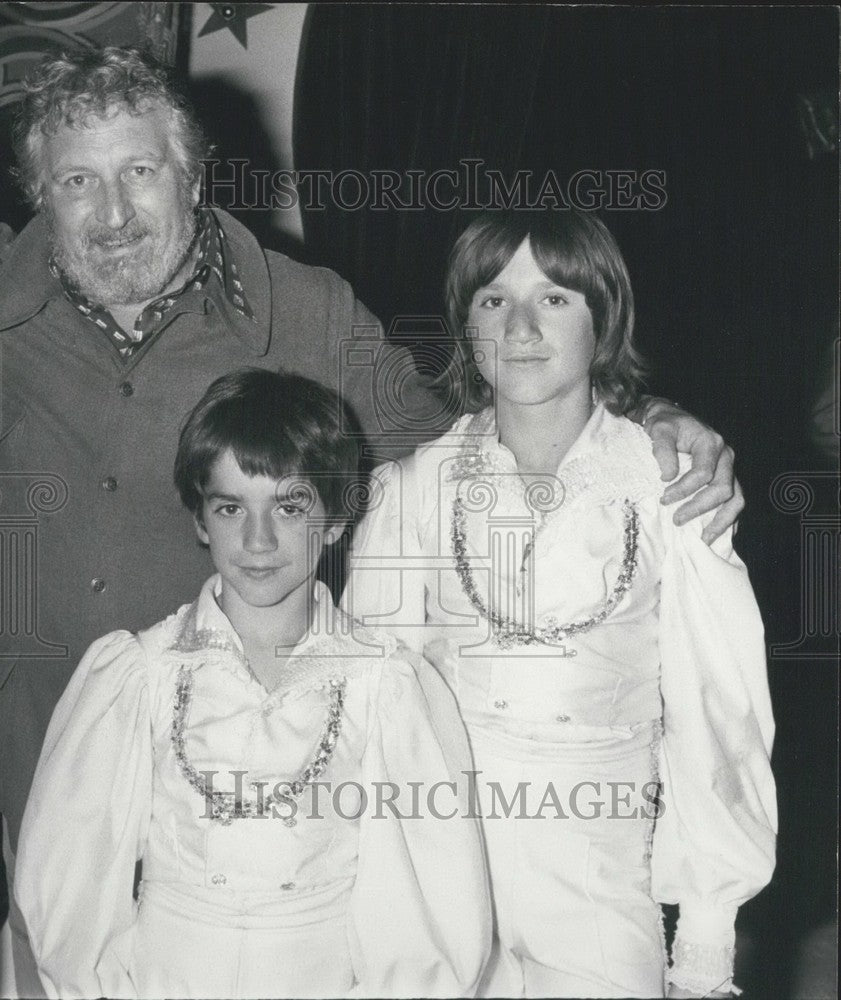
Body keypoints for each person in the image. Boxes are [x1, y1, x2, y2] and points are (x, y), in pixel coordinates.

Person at [1, 45, 739, 994]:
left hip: (266, 803)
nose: (111, 215)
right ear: (38, 197)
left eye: (140, 172)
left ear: (192, 176)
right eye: (76, 181)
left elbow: (476, 440)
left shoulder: (304, 312)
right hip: (43, 779)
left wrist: (646, 423)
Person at [344, 210, 777, 998]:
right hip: (438, 890)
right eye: (491, 300)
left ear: (602, 319)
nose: (518, 327)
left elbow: (716, 715)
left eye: (553, 299)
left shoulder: (667, 488)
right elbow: (371, 719)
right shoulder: (413, 492)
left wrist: (705, 944)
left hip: (599, 891)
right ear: (463, 323)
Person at [14, 368, 491, 999]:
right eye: (231, 507)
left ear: (335, 521)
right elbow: (71, 890)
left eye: (289, 507)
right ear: (201, 521)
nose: (258, 540)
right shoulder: (142, 675)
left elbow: (429, 911)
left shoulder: (386, 685)